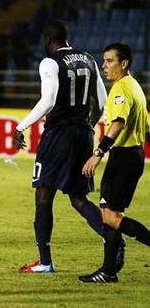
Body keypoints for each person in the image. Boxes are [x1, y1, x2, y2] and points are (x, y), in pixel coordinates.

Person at [13, 20, 112, 273]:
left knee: (44, 192)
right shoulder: (89, 59)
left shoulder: (49, 62)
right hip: (83, 134)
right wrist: (87, 124)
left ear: (47, 40)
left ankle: (45, 262)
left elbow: (48, 100)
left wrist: (21, 126)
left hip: (58, 135)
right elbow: (102, 102)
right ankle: (112, 240)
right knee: (78, 198)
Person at [79, 43, 150, 283]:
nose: (104, 66)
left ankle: (110, 269)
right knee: (108, 213)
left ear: (124, 63)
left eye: (110, 61)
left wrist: (97, 153)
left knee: (111, 217)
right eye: (104, 61)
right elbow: (147, 126)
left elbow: (117, 123)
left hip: (125, 158)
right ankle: (108, 271)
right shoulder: (134, 86)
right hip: (129, 156)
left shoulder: (121, 89)